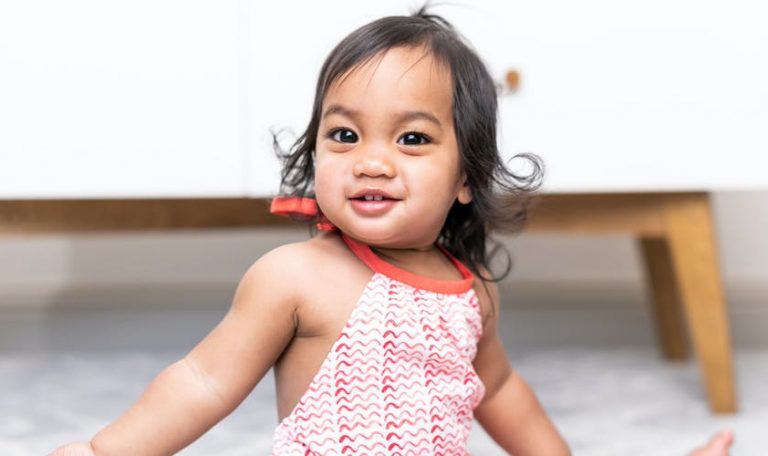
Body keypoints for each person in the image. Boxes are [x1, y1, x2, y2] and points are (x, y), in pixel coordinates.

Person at [50, 7, 734, 456]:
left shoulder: (470, 293)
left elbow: (498, 392)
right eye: (344, 134)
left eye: (411, 138)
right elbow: (202, 380)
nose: (371, 160)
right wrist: (103, 451)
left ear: (465, 177)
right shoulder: (296, 277)